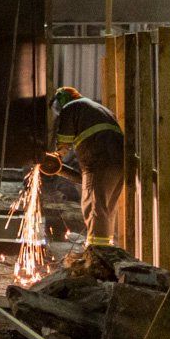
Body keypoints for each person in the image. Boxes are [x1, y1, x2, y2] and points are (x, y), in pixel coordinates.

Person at [47, 86, 124, 253]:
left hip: (98, 157)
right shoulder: (95, 108)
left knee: (93, 203)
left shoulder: (71, 107)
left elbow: (64, 141)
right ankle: (107, 247)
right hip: (120, 159)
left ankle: (97, 251)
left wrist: (56, 156)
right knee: (107, 205)